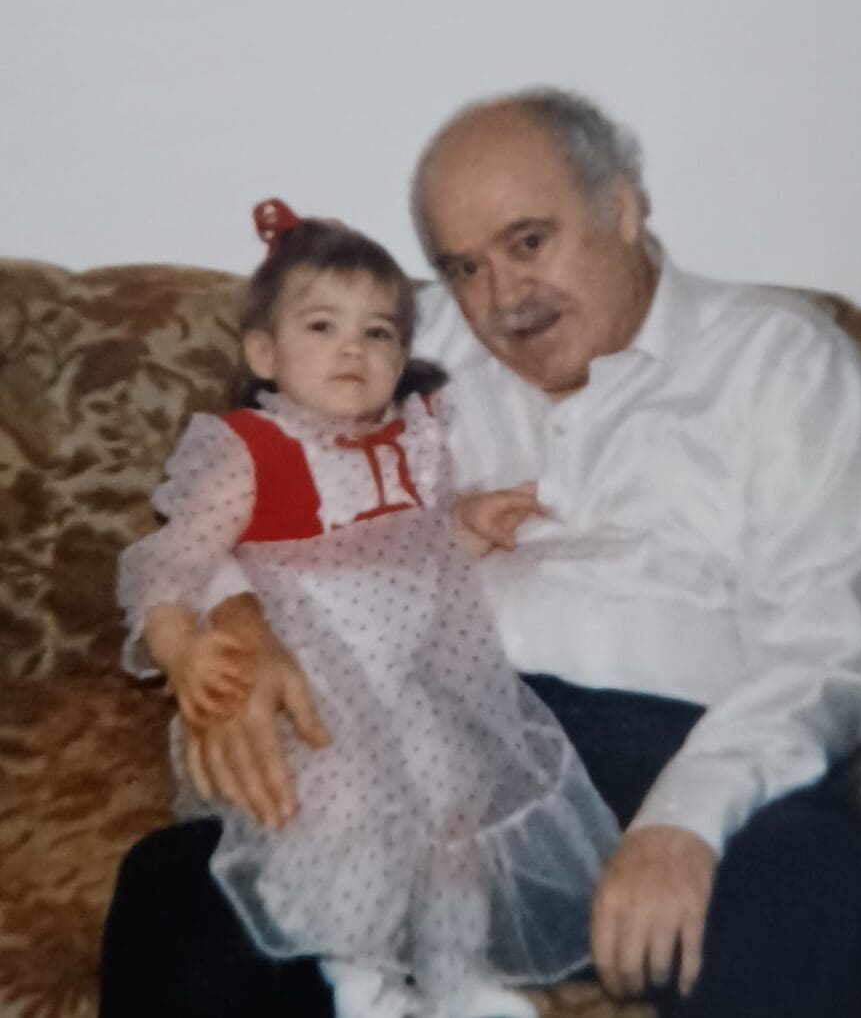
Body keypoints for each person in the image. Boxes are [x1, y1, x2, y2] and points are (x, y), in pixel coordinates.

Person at [101, 89, 861, 1018]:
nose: (501, 299)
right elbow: (231, 503)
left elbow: (825, 651)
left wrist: (685, 820)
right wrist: (241, 633)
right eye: (463, 267)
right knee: (177, 896)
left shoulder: (779, 362)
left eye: (529, 242)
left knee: (813, 895)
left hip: (684, 744)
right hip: (424, 749)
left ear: (621, 207)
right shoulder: (412, 355)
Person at [112, 202, 620, 1018]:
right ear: (264, 352)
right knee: (344, 817)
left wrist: (470, 523)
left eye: (380, 332)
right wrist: (181, 649)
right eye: (322, 326)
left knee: (458, 799)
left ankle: (455, 974)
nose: (354, 347)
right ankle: (359, 976)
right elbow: (169, 562)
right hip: (309, 702)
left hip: (405, 689)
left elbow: (416, 547)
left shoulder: (411, 440)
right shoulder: (252, 448)